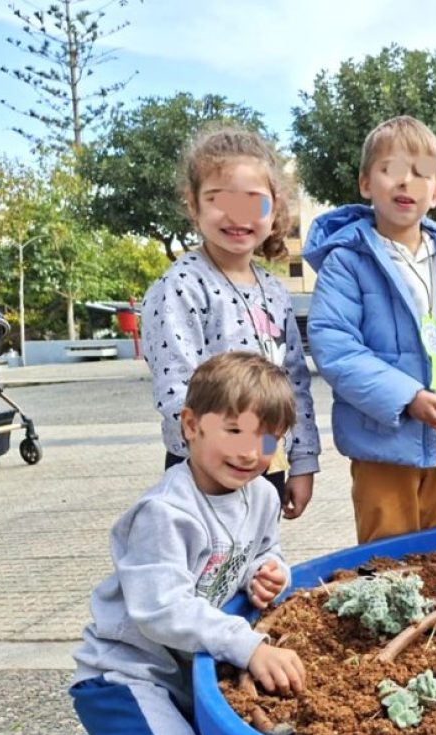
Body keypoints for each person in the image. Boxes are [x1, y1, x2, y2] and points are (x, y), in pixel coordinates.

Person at [0, 352, 308, 735]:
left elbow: (266, 550)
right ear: (190, 426)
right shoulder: (166, 512)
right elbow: (161, 608)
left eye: (268, 438)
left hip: (182, 674)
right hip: (123, 673)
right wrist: (247, 642)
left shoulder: (262, 495)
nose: (249, 450)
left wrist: (271, 574)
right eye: (234, 429)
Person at [304, 116, 436, 543]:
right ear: (366, 183)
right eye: (391, 171)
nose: (406, 184)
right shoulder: (347, 262)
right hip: (383, 444)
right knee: (388, 554)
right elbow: (336, 346)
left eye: (420, 175)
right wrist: (408, 398)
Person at [141, 124, 320, 520]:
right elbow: (176, 390)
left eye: (253, 202)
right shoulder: (181, 287)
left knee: (260, 571)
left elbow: (294, 382)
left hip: (267, 462)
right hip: (206, 472)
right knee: (205, 573)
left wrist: (301, 459)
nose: (238, 215)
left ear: (274, 208)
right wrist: (222, 453)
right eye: (219, 199)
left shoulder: (273, 290)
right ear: (193, 204)